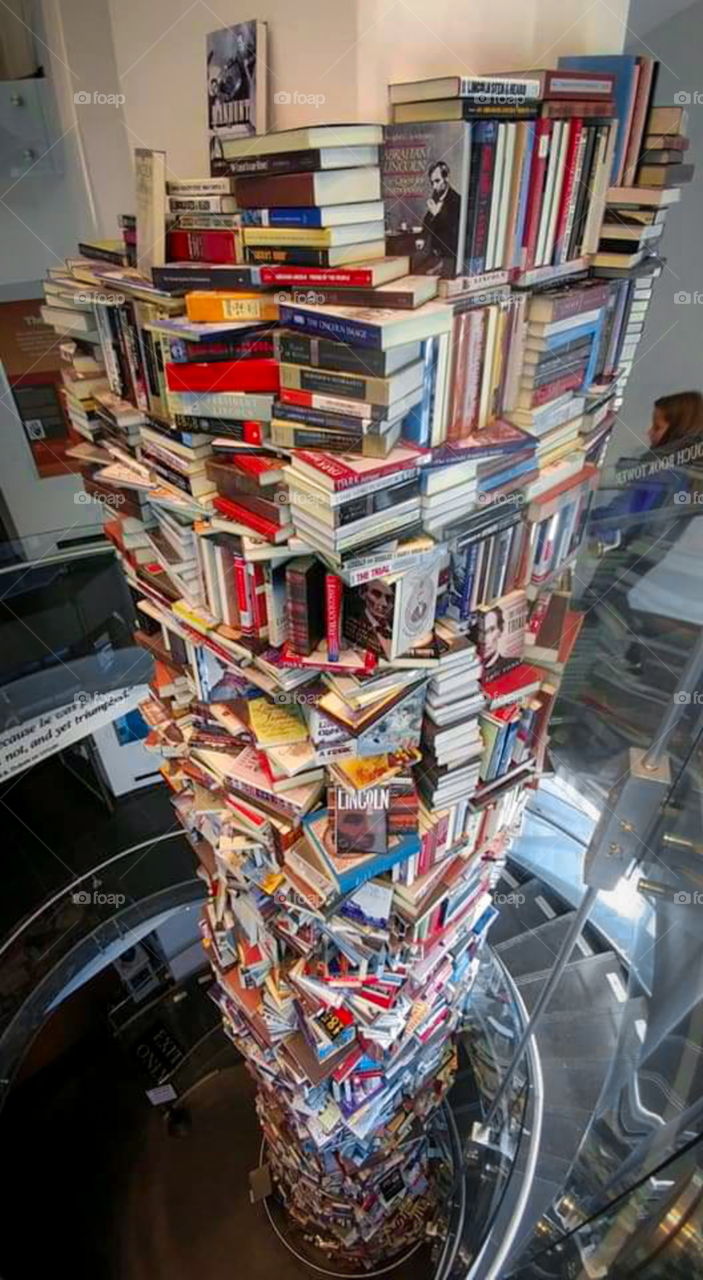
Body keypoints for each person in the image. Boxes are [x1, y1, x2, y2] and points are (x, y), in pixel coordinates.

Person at [422, 161, 461, 273]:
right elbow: (427, 221)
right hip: (434, 254)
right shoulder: (435, 197)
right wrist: (422, 237)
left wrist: (436, 213)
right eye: (432, 183)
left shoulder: (456, 200)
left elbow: (451, 229)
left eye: (437, 181)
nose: (434, 187)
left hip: (449, 257)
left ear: (446, 178)